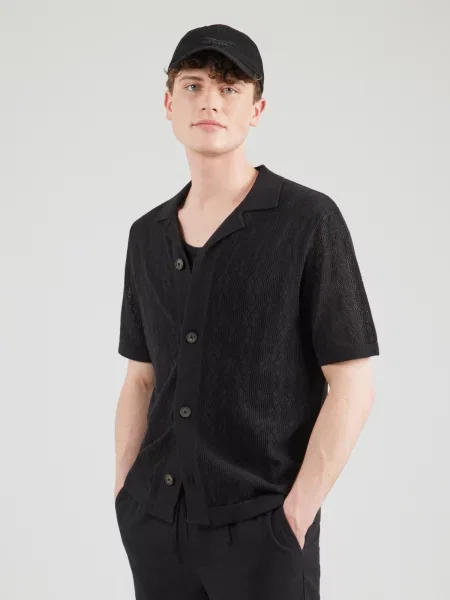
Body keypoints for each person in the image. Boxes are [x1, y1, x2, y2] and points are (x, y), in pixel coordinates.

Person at [114, 23, 380, 600]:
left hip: (264, 530)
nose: (210, 101)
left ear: (257, 109)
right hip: (156, 525)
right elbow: (140, 378)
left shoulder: (308, 220)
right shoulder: (147, 235)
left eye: (230, 88)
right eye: (193, 85)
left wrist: (296, 514)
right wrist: (125, 493)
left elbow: (353, 384)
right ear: (168, 103)